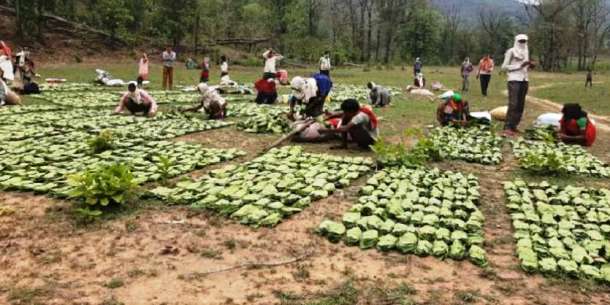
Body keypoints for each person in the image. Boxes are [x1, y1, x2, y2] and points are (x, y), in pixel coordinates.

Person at [501, 34, 534, 137]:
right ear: (516, 41)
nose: (523, 43)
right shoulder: (511, 51)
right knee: (513, 103)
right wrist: (519, 66)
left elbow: (526, 67)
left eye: (524, 41)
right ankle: (507, 127)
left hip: (524, 79)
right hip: (514, 79)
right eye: (521, 41)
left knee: (521, 104)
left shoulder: (526, 52)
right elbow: (504, 67)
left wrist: (530, 65)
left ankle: (514, 125)